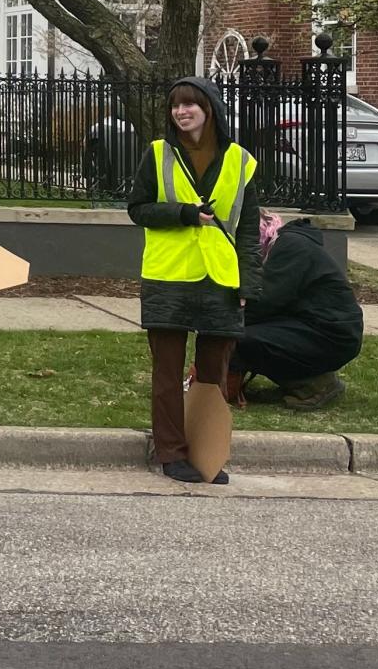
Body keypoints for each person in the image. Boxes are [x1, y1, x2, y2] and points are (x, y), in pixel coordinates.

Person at [128, 77, 262, 485]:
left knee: (212, 374)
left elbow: (249, 229)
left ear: (210, 109)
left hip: (221, 277)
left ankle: (207, 453)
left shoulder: (240, 160)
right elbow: (138, 209)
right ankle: (170, 452)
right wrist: (183, 213)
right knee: (167, 372)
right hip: (169, 274)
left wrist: (248, 285)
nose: (181, 113)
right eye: (175, 107)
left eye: (189, 105)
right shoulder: (158, 154)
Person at [229, 210, 363, 410]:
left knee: (239, 338)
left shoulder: (290, 247)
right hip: (319, 328)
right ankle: (308, 379)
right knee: (241, 333)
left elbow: (263, 303)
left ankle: (314, 385)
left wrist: (223, 322)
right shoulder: (285, 243)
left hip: (332, 335)